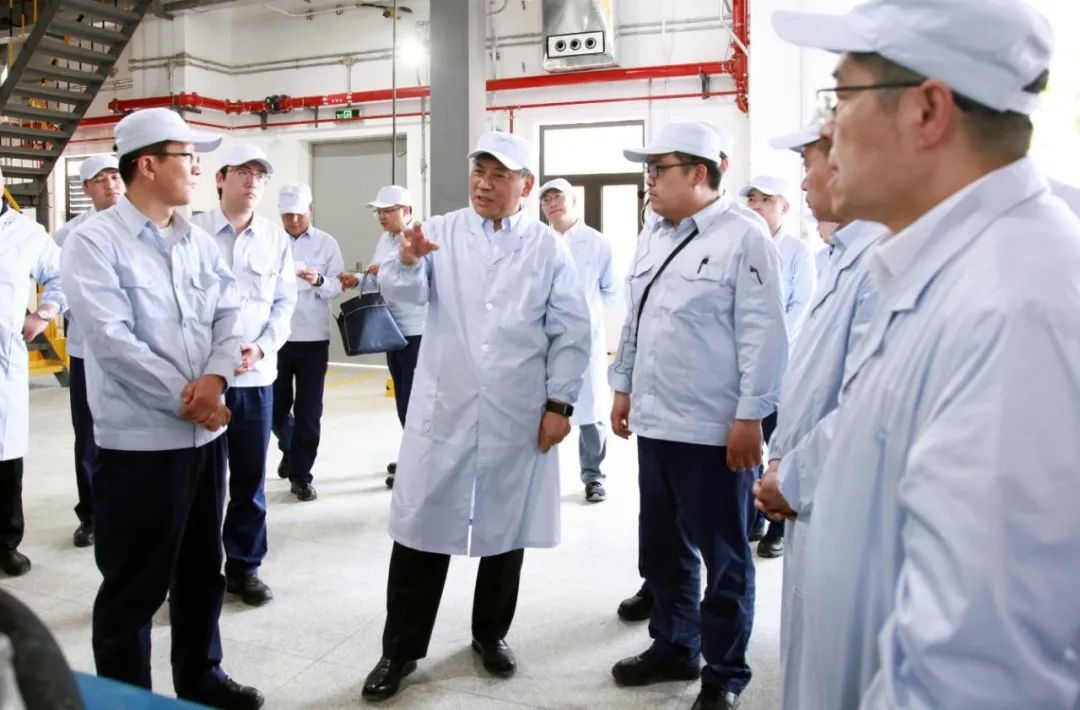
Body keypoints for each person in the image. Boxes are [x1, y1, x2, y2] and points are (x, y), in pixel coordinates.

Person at [772, 0, 1080, 706]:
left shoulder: (1015, 307)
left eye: (841, 99)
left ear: (927, 111)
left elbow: (977, 669)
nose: (827, 129)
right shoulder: (939, 266)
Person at [360, 131, 590, 701]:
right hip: (447, 405)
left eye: (499, 175)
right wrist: (407, 260)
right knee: (422, 528)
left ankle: (490, 634)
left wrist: (560, 403)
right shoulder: (439, 231)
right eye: (478, 171)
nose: (484, 184)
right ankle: (400, 650)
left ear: (525, 186)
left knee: (504, 528)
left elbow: (570, 329)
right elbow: (403, 294)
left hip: (517, 410)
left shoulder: (547, 247)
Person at [61, 107, 262, 707]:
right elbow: (111, 341)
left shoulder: (196, 240)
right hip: (140, 445)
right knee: (134, 586)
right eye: (187, 157)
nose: (197, 169)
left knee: (202, 569)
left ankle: (201, 676)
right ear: (147, 165)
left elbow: (230, 313)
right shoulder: (94, 242)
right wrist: (190, 397)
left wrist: (216, 379)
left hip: (204, 441)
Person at [609, 122, 788, 710]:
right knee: (662, 548)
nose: (649, 180)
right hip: (656, 423)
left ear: (698, 173)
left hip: (715, 431)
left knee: (725, 556)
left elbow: (764, 335)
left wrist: (750, 417)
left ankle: (724, 674)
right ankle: (674, 645)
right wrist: (623, 386)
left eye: (657, 169)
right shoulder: (652, 234)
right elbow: (636, 319)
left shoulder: (745, 237)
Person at [751, 120, 884, 710]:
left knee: (839, 664)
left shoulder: (882, 261)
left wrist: (793, 475)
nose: (803, 182)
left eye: (809, 165)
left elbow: (872, 401)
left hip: (838, 492)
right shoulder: (842, 256)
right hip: (810, 487)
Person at [191, 144, 296, 607]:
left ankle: (244, 567)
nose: (252, 181)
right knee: (200, 485)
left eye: (260, 174)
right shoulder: (191, 233)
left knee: (250, 481)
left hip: (255, 379)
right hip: (202, 379)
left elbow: (284, 303)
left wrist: (263, 346)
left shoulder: (275, 239)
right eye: (243, 172)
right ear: (220, 178)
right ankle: (194, 575)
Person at [740, 175, 816, 559]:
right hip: (743, 364)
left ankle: (778, 526)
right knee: (747, 442)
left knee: (778, 444)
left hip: (783, 365)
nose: (756, 206)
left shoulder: (797, 252)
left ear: (784, 207)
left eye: (765, 200)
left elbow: (801, 306)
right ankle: (755, 514)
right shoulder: (740, 244)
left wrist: (771, 344)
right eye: (752, 199)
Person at [54, 154, 124, 548]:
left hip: (134, 348)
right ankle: (92, 515)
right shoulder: (69, 235)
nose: (110, 185)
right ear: (85, 189)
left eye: (115, 177)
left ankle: (130, 509)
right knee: (88, 435)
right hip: (87, 351)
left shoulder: (142, 225)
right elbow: (59, 285)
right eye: (100, 180)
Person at [0, 166, 65, 578]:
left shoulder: (26, 233)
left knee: (5, 457)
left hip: (2, 358)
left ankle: (6, 543)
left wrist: (43, 314)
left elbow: (62, 276)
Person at [538, 177, 619, 502]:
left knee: (590, 411)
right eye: (546, 200)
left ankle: (594, 476)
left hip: (586, 340)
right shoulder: (538, 241)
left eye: (558, 197)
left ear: (573, 201)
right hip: (544, 339)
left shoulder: (597, 243)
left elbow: (610, 291)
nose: (552, 204)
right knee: (542, 409)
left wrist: (586, 314)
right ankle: (540, 479)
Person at [338, 184, 424, 489]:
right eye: (379, 212)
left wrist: (383, 269)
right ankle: (412, 456)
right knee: (402, 398)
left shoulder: (418, 238)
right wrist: (357, 279)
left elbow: (417, 281)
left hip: (416, 332)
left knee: (414, 401)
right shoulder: (385, 240)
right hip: (391, 329)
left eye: (388, 211)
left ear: (407, 211)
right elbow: (380, 277)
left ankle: (419, 466)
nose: (382, 217)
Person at [273, 183, 344, 502]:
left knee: (309, 411)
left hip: (313, 338)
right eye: (287, 215)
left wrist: (318, 280)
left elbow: (337, 286)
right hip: (275, 338)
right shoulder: (270, 241)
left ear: (311, 210)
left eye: (299, 215)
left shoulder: (327, 244)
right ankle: (291, 445)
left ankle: (301, 475)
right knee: (273, 407)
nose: (293, 221)